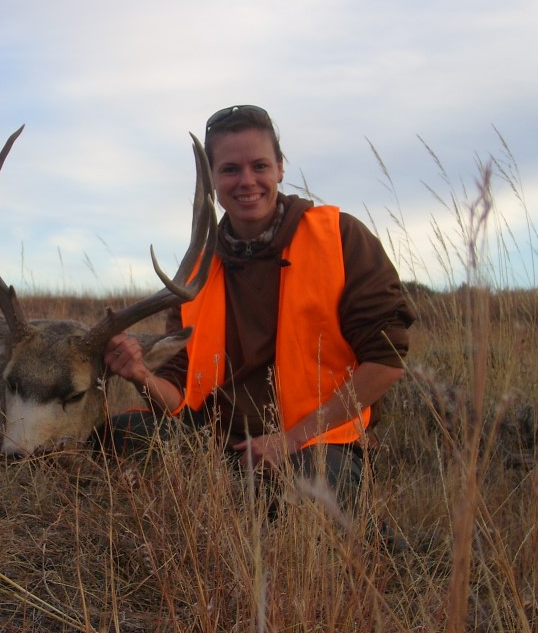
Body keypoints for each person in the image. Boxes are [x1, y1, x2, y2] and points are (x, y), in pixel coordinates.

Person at [103, 104, 415, 505]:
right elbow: (179, 395)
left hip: (315, 443)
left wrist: (290, 439)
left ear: (280, 168)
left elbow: (386, 360)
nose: (246, 181)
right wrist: (141, 375)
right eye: (230, 169)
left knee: (309, 493)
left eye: (260, 166)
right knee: (111, 437)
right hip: (216, 442)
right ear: (212, 180)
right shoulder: (197, 271)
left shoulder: (340, 238)